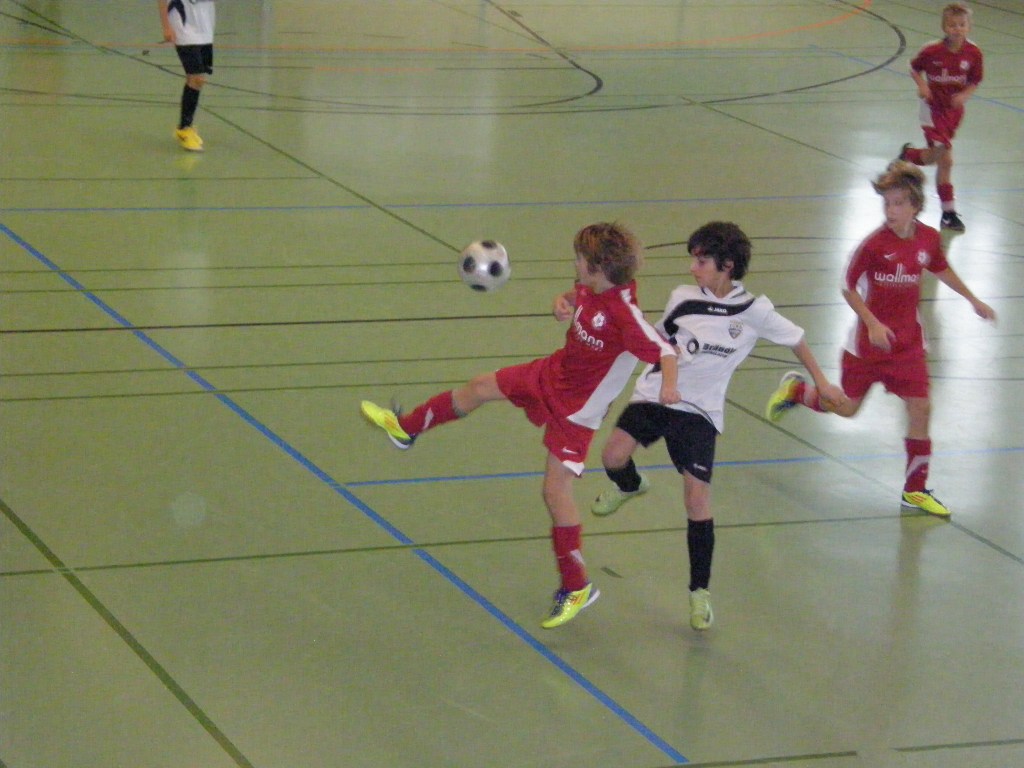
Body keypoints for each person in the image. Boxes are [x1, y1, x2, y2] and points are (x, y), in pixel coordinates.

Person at [360, 222, 680, 629]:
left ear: (598, 267)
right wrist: (562, 302)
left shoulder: (624, 314)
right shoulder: (590, 286)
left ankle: (576, 586)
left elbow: (665, 351)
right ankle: (406, 428)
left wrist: (669, 385)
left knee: (555, 492)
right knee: (480, 387)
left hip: (576, 412)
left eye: (579, 260)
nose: (575, 265)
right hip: (550, 374)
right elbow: (576, 297)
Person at [590, 221, 845, 631]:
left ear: (727, 266)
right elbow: (656, 341)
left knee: (697, 501)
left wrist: (822, 382)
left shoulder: (755, 311)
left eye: (701, 261)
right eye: (693, 260)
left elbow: (796, 340)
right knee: (612, 457)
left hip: (701, 411)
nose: (693, 268)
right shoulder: (683, 297)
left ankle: (699, 592)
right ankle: (630, 485)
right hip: (657, 394)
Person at [766, 162, 996, 519]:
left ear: (915, 206)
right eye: (886, 204)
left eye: (898, 203)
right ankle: (799, 392)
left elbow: (940, 267)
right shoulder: (873, 246)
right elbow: (847, 286)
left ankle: (915, 490)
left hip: (908, 346)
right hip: (867, 348)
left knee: (921, 408)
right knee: (846, 408)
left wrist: (972, 299)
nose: (890, 211)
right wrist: (872, 323)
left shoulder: (927, 239)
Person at [898, 2, 983, 234]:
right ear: (944, 27)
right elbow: (913, 67)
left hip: (953, 113)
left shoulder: (973, 53)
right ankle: (948, 213)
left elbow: (975, 79)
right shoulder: (932, 51)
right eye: (952, 25)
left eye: (962, 25)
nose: (957, 29)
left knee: (934, 158)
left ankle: (908, 155)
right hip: (932, 110)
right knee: (946, 161)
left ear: (968, 27)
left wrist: (965, 94)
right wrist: (923, 85)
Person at [158, 0, 216, 152]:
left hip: (205, 24)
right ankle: (184, 129)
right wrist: (166, 26)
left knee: (196, 79)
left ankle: (185, 126)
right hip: (183, 24)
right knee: (197, 78)